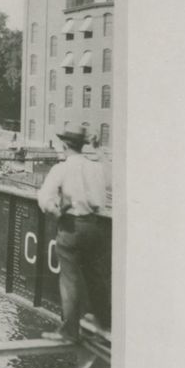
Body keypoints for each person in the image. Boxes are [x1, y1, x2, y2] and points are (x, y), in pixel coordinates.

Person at [37, 125, 110, 341]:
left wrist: (54, 210)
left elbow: (45, 197)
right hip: (94, 227)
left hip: (71, 227)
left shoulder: (62, 168)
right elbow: (113, 180)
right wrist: (98, 151)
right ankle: (105, 325)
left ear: (65, 145)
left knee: (69, 279)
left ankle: (70, 331)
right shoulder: (96, 168)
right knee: (95, 277)